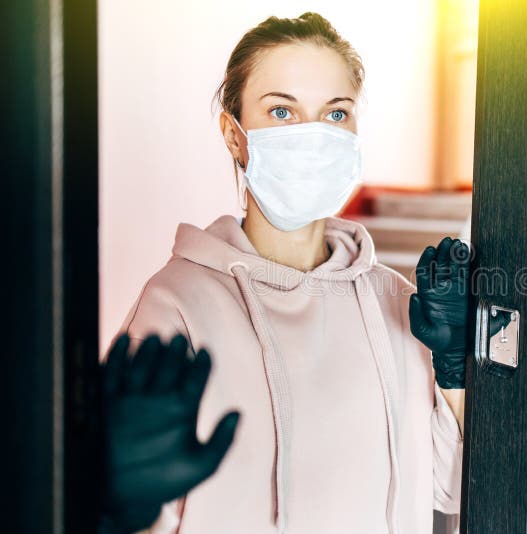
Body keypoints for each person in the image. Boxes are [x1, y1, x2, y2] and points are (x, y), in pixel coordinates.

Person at [99, 12, 471, 534]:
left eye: (336, 115)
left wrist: (454, 369)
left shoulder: (394, 299)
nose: (314, 137)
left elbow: (448, 488)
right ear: (234, 136)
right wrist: (122, 506)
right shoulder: (175, 306)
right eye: (281, 111)